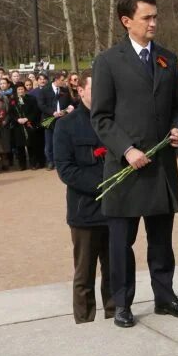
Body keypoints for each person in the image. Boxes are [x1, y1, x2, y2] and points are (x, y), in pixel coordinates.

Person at [91, 0, 178, 328]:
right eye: (146, 17)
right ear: (127, 21)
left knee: (162, 240)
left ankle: (165, 297)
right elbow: (101, 117)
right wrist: (127, 149)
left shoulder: (167, 58)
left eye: (155, 16)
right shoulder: (108, 61)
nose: (154, 22)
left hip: (161, 166)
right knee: (122, 243)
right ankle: (122, 303)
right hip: (125, 168)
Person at [53, 70, 115, 323]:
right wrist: (105, 184)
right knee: (84, 274)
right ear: (80, 91)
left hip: (115, 209)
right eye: (95, 88)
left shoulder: (114, 120)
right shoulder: (66, 125)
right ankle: (85, 320)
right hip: (84, 211)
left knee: (114, 270)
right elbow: (66, 169)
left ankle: (115, 312)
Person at [37, 71, 74, 170]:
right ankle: (50, 161)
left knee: (61, 142)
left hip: (62, 120)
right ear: (56, 80)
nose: (64, 82)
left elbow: (70, 103)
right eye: (62, 80)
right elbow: (41, 105)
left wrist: (68, 109)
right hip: (49, 120)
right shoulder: (44, 90)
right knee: (49, 142)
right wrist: (52, 112)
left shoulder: (65, 91)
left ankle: (60, 161)